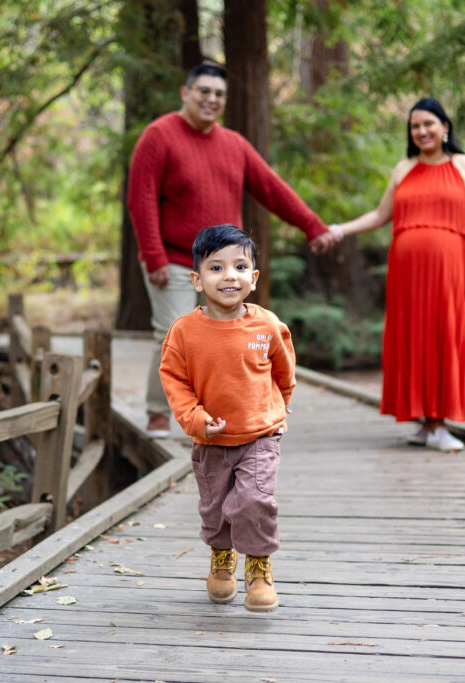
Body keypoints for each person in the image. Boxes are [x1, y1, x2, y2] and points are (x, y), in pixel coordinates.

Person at [127, 62, 336, 438]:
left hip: (225, 265)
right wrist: (153, 255)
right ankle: (159, 413)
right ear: (185, 92)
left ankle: (218, 414)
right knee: (172, 332)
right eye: (204, 91)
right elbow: (141, 200)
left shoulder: (234, 145)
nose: (212, 99)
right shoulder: (158, 136)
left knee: (226, 337)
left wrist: (312, 226)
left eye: (219, 94)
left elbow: (272, 188)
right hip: (174, 260)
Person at [327, 97, 465, 451]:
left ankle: (440, 423)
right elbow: (379, 215)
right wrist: (340, 230)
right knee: (413, 337)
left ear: (445, 127)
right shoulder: (403, 168)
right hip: (407, 275)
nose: (422, 131)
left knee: (443, 333)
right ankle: (423, 421)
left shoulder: (463, 166)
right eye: (415, 126)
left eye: (429, 123)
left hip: (450, 269)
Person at [159, 224, 294, 613]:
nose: (228, 276)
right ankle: (222, 557)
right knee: (215, 507)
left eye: (239, 267)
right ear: (197, 280)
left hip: (260, 434)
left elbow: (284, 371)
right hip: (210, 439)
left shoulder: (267, 325)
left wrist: (278, 407)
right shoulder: (183, 332)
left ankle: (258, 566)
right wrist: (196, 420)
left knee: (254, 500)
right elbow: (174, 381)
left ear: (252, 278)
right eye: (215, 268)